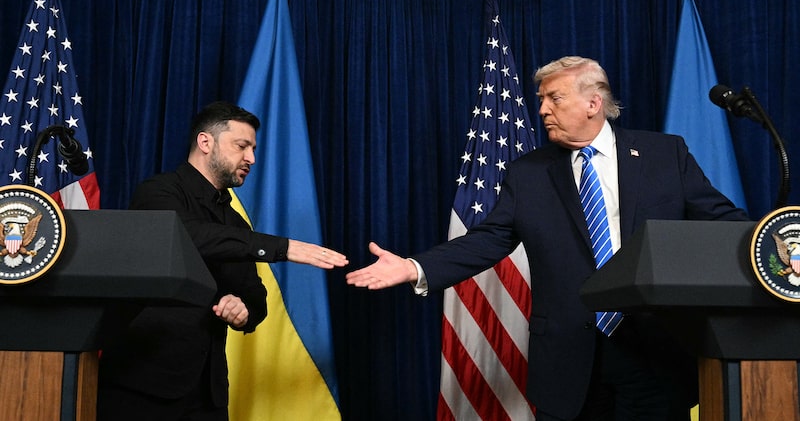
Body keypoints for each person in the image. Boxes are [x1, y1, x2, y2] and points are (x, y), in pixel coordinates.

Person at [346, 56, 749, 421]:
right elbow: (487, 240)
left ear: (593, 103)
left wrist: (777, 249)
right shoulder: (528, 173)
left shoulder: (665, 154)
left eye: (554, 99)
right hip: (567, 361)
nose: (542, 110)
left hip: (654, 354)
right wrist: (415, 267)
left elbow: (719, 217)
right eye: (541, 100)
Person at [98, 101, 348, 421]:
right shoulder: (158, 192)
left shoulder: (236, 223)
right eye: (242, 146)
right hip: (141, 387)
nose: (251, 159)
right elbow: (185, 236)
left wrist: (244, 310)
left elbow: (256, 297)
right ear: (206, 142)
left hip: (208, 396)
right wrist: (281, 247)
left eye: (253, 149)